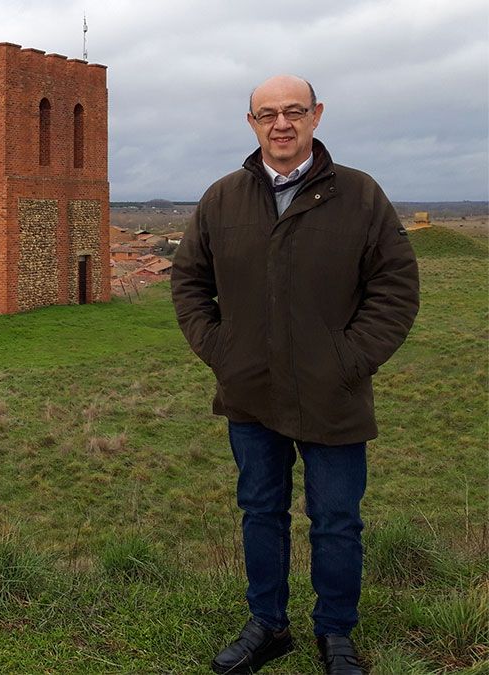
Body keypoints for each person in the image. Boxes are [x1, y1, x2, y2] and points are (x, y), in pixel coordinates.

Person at [171, 75, 419, 675]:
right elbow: (189, 283)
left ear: (317, 116)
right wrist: (222, 352)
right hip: (250, 392)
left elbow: (396, 285)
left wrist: (350, 359)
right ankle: (268, 624)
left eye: (294, 112)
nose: (281, 124)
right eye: (267, 114)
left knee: (336, 520)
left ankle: (335, 634)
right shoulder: (223, 198)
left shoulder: (359, 196)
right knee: (261, 512)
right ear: (251, 122)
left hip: (332, 395)